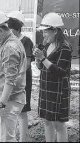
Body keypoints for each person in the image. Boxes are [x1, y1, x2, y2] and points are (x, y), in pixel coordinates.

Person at [0, 10, 27, 142]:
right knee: (7, 136)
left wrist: (0, 104)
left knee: (7, 138)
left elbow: (10, 81)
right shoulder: (9, 43)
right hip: (10, 99)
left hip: (10, 100)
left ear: (1, 31)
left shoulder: (10, 47)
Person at [33, 12, 72, 142]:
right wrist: (38, 60)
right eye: (43, 32)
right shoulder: (48, 45)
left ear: (55, 30)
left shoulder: (64, 48)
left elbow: (60, 71)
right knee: (47, 121)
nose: (43, 35)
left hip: (58, 90)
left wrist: (42, 58)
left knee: (58, 125)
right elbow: (42, 67)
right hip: (46, 88)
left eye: (45, 32)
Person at [7, 11, 34, 142]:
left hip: (23, 81)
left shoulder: (26, 41)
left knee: (22, 111)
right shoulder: (7, 42)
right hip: (9, 80)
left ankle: (23, 139)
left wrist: (16, 76)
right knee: (10, 110)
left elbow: (27, 64)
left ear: (17, 29)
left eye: (10, 29)